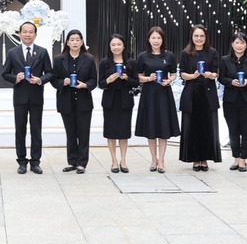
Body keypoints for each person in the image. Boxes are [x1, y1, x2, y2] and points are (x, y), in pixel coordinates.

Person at [1, 21, 53, 174]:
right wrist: (16, 78)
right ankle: (22, 161)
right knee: (20, 130)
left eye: (31, 32)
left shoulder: (42, 52)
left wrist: (40, 80)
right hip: (20, 97)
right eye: (25, 31)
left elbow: (50, 73)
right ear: (19, 34)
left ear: (35, 35)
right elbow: (5, 74)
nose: (28, 34)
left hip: (36, 96)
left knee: (36, 130)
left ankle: (35, 162)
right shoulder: (12, 52)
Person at [135, 26, 180, 173]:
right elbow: (138, 76)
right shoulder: (143, 56)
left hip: (164, 93)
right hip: (149, 94)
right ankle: (153, 159)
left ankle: (162, 160)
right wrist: (148, 78)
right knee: (151, 127)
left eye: (158, 38)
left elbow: (174, 74)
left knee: (163, 127)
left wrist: (169, 80)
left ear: (163, 39)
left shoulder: (169, 55)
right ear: (148, 39)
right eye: (153, 38)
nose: (156, 41)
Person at [51, 29, 97, 174]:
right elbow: (53, 80)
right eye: (72, 40)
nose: (75, 42)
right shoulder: (59, 59)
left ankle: (82, 163)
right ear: (67, 42)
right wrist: (62, 82)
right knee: (70, 133)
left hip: (83, 101)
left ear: (82, 42)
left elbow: (94, 80)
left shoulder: (89, 59)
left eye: (78, 40)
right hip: (66, 101)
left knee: (83, 133)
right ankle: (72, 161)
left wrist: (85, 85)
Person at [178, 24, 222, 171]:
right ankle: (195, 159)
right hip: (192, 93)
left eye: (202, 36)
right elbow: (182, 73)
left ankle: (205, 158)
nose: (199, 39)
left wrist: (211, 75)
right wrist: (192, 76)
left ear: (206, 37)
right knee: (193, 127)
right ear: (192, 37)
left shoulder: (212, 52)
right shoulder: (185, 53)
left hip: (207, 93)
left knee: (207, 127)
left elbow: (216, 72)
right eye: (196, 36)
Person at [98, 33, 138, 173]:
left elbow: (136, 82)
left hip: (125, 101)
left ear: (124, 46)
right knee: (111, 132)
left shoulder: (131, 63)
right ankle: (114, 161)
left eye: (119, 44)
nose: (116, 47)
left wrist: (127, 78)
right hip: (110, 101)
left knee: (124, 132)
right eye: (113, 45)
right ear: (109, 47)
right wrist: (108, 80)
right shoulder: (104, 63)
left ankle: (123, 160)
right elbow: (100, 84)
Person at [219, 32, 247, 172]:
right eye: (237, 42)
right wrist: (231, 82)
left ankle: (243, 159)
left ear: (246, 45)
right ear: (232, 44)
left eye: (242, 43)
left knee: (246, 131)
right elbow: (221, 78)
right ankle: (236, 157)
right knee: (233, 130)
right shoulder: (225, 60)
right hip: (230, 100)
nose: (239, 46)